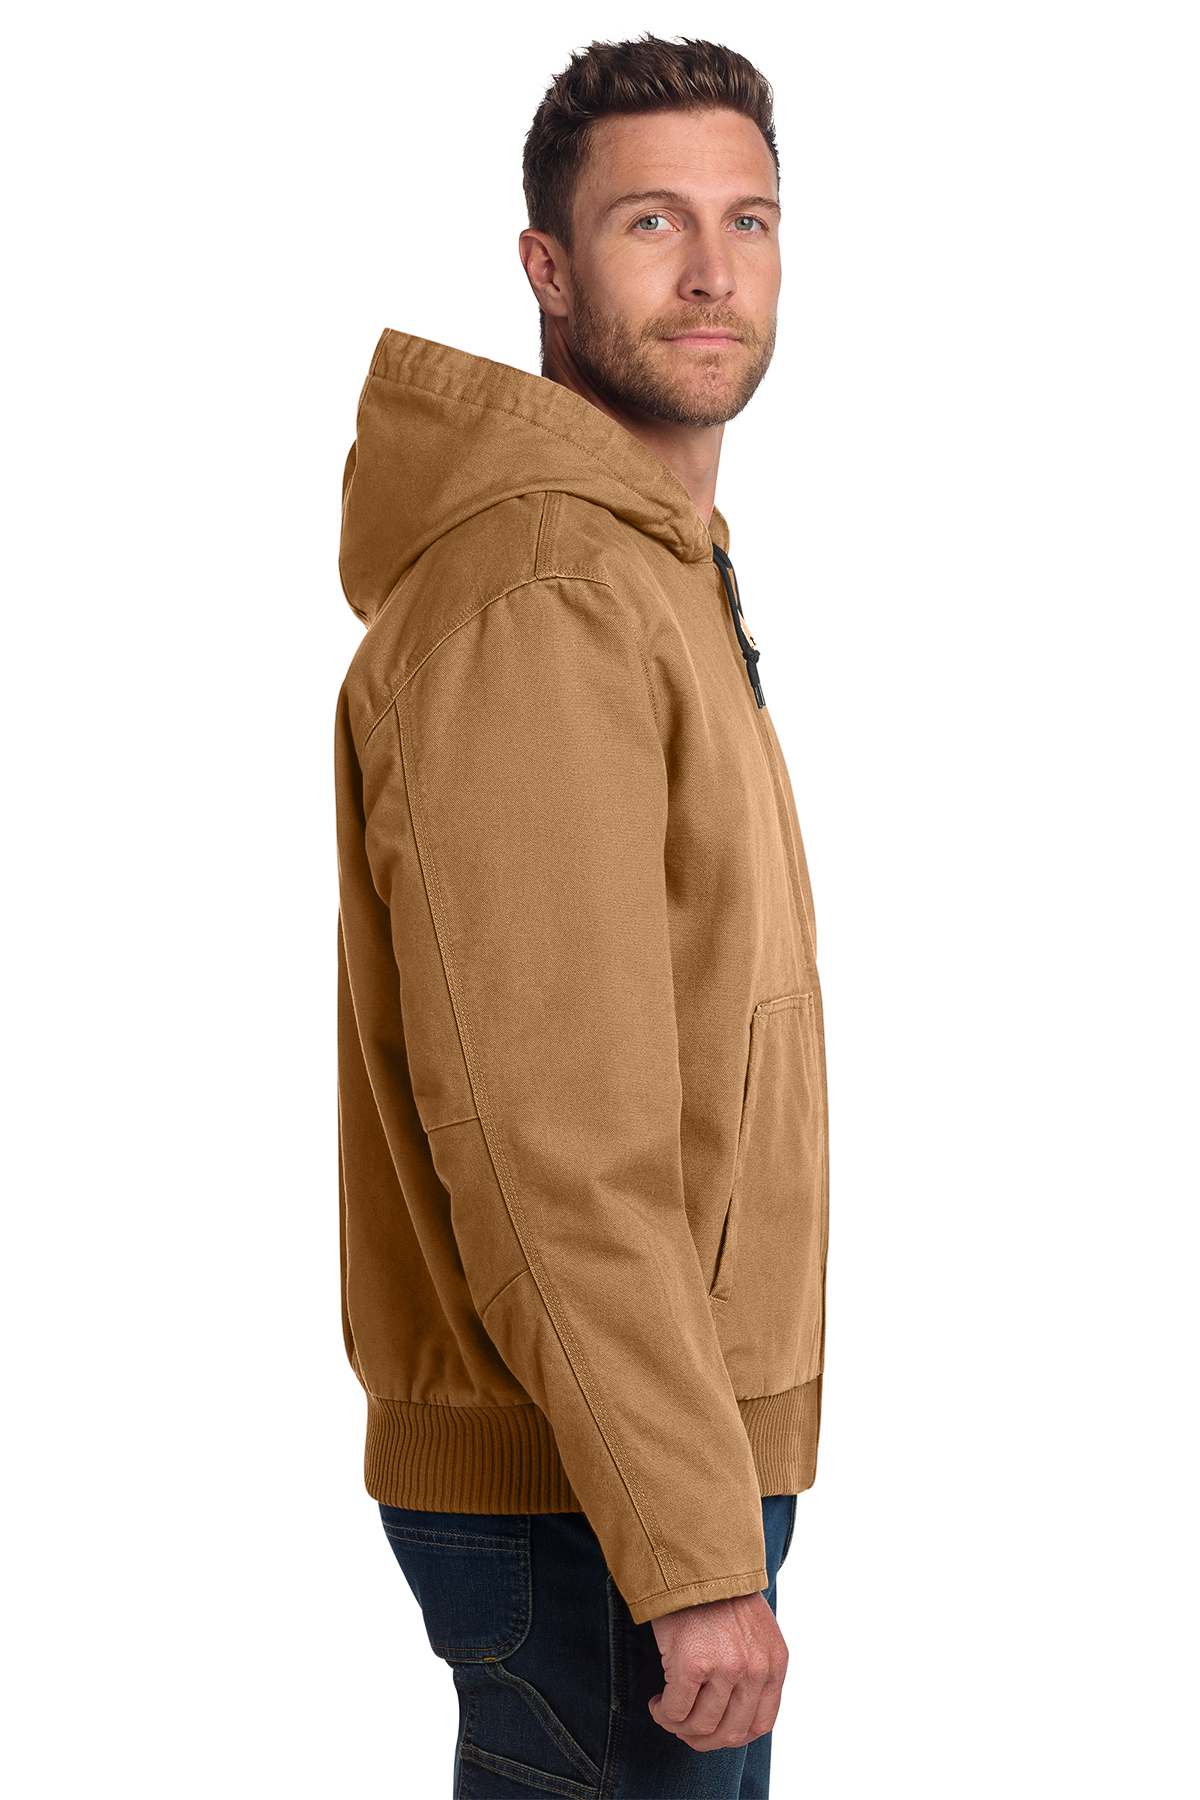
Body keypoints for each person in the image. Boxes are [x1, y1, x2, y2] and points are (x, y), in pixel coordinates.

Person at [334, 34, 829, 1799]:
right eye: (649, 223)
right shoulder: (542, 595)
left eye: (746, 219)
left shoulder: (647, 567)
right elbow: (553, 1132)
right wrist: (690, 1550)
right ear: (547, 268)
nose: (711, 273)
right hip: (597, 1496)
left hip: (639, 1456)